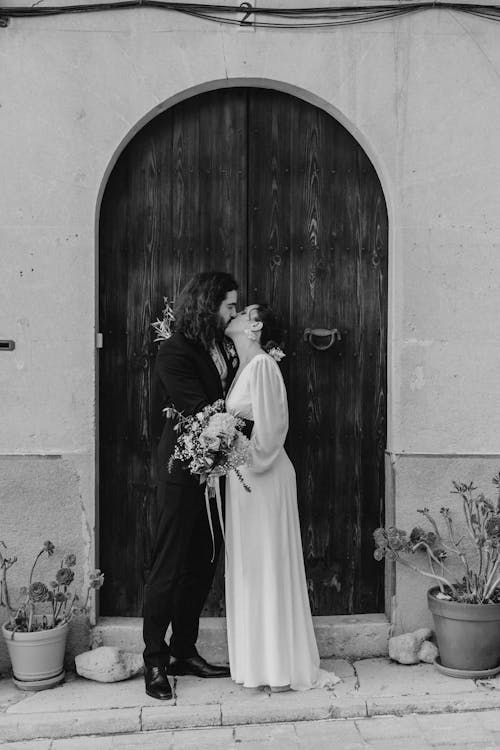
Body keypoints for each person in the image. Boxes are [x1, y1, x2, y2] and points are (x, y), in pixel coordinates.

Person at [224, 304, 340, 691]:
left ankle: (279, 666)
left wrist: (233, 454)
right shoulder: (241, 365)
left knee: (268, 564)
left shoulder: (261, 367)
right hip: (244, 479)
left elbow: (273, 431)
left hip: (263, 477)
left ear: (253, 326)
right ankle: (257, 665)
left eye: (240, 312)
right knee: (251, 567)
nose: (233, 314)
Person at [143, 271, 239, 700]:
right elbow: (196, 407)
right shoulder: (174, 351)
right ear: (208, 305)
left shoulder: (220, 346)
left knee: (202, 563)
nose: (233, 312)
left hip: (215, 470)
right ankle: (154, 661)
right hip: (182, 471)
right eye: (229, 306)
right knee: (168, 567)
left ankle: (185, 650)